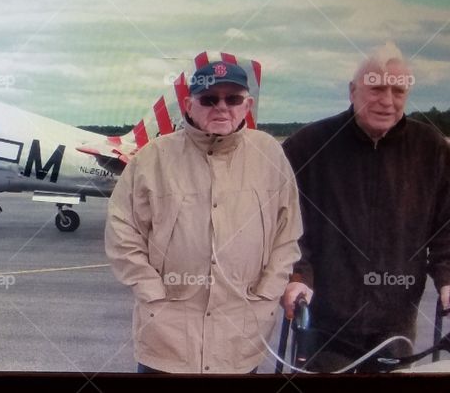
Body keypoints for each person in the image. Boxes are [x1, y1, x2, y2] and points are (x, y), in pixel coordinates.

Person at [105, 61, 302, 373]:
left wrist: (268, 291)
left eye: (232, 99)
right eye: (209, 99)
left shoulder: (270, 153)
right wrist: (152, 293)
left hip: (242, 338)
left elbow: (287, 232)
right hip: (166, 340)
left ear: (247, 104)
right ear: (188, 105)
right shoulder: (152, 157)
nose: (221, 107)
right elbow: (122, 233)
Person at [280, 42, 450, 372]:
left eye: (398, 91)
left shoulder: (432, 149)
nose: (387, 101)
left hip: (395, 322)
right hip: (322, 318)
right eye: (376, 88)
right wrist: (297, 276)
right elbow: (286, 228)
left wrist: (448, 279)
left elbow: (447, 228)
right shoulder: (307, 147)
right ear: (352, 90)